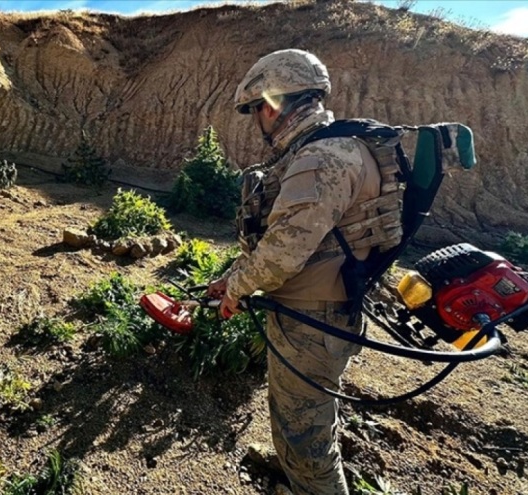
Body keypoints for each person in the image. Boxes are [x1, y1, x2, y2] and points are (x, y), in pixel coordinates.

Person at [207, 49, 402, 495]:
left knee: (306, 437)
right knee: (303, 416)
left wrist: (236, 288)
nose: (257, 120)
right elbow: (294, 237)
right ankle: (293, 469)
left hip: (314, 321)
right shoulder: (332, 148)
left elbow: (283, 251)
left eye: (257, 108)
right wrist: (234, 275)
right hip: (315, 311)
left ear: (274, 104)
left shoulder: (323, 158)